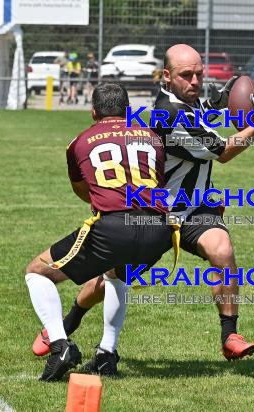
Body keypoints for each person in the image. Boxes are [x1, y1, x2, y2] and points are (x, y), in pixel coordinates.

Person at [32, 44, 254, 362]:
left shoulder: (185, 100)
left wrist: (215, 105)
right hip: (162, 213)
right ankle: (68, 322)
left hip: (196, 209)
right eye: (187, 75)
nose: (196, 81)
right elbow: (223, 150)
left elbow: (200, 118)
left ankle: (230, 335)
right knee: (111, 279)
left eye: (200, 73)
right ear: (167, 77)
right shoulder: (171, 114)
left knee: (223, 252)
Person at [25, 83, 174, 381]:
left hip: (115, 227)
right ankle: (107, 354)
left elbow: (85, 191)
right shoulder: (152, 138)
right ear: (128, 111)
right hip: (160, 231)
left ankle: (59, 345)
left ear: (93, 111)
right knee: (116, 275)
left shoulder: (79, 141)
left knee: (38, 272)